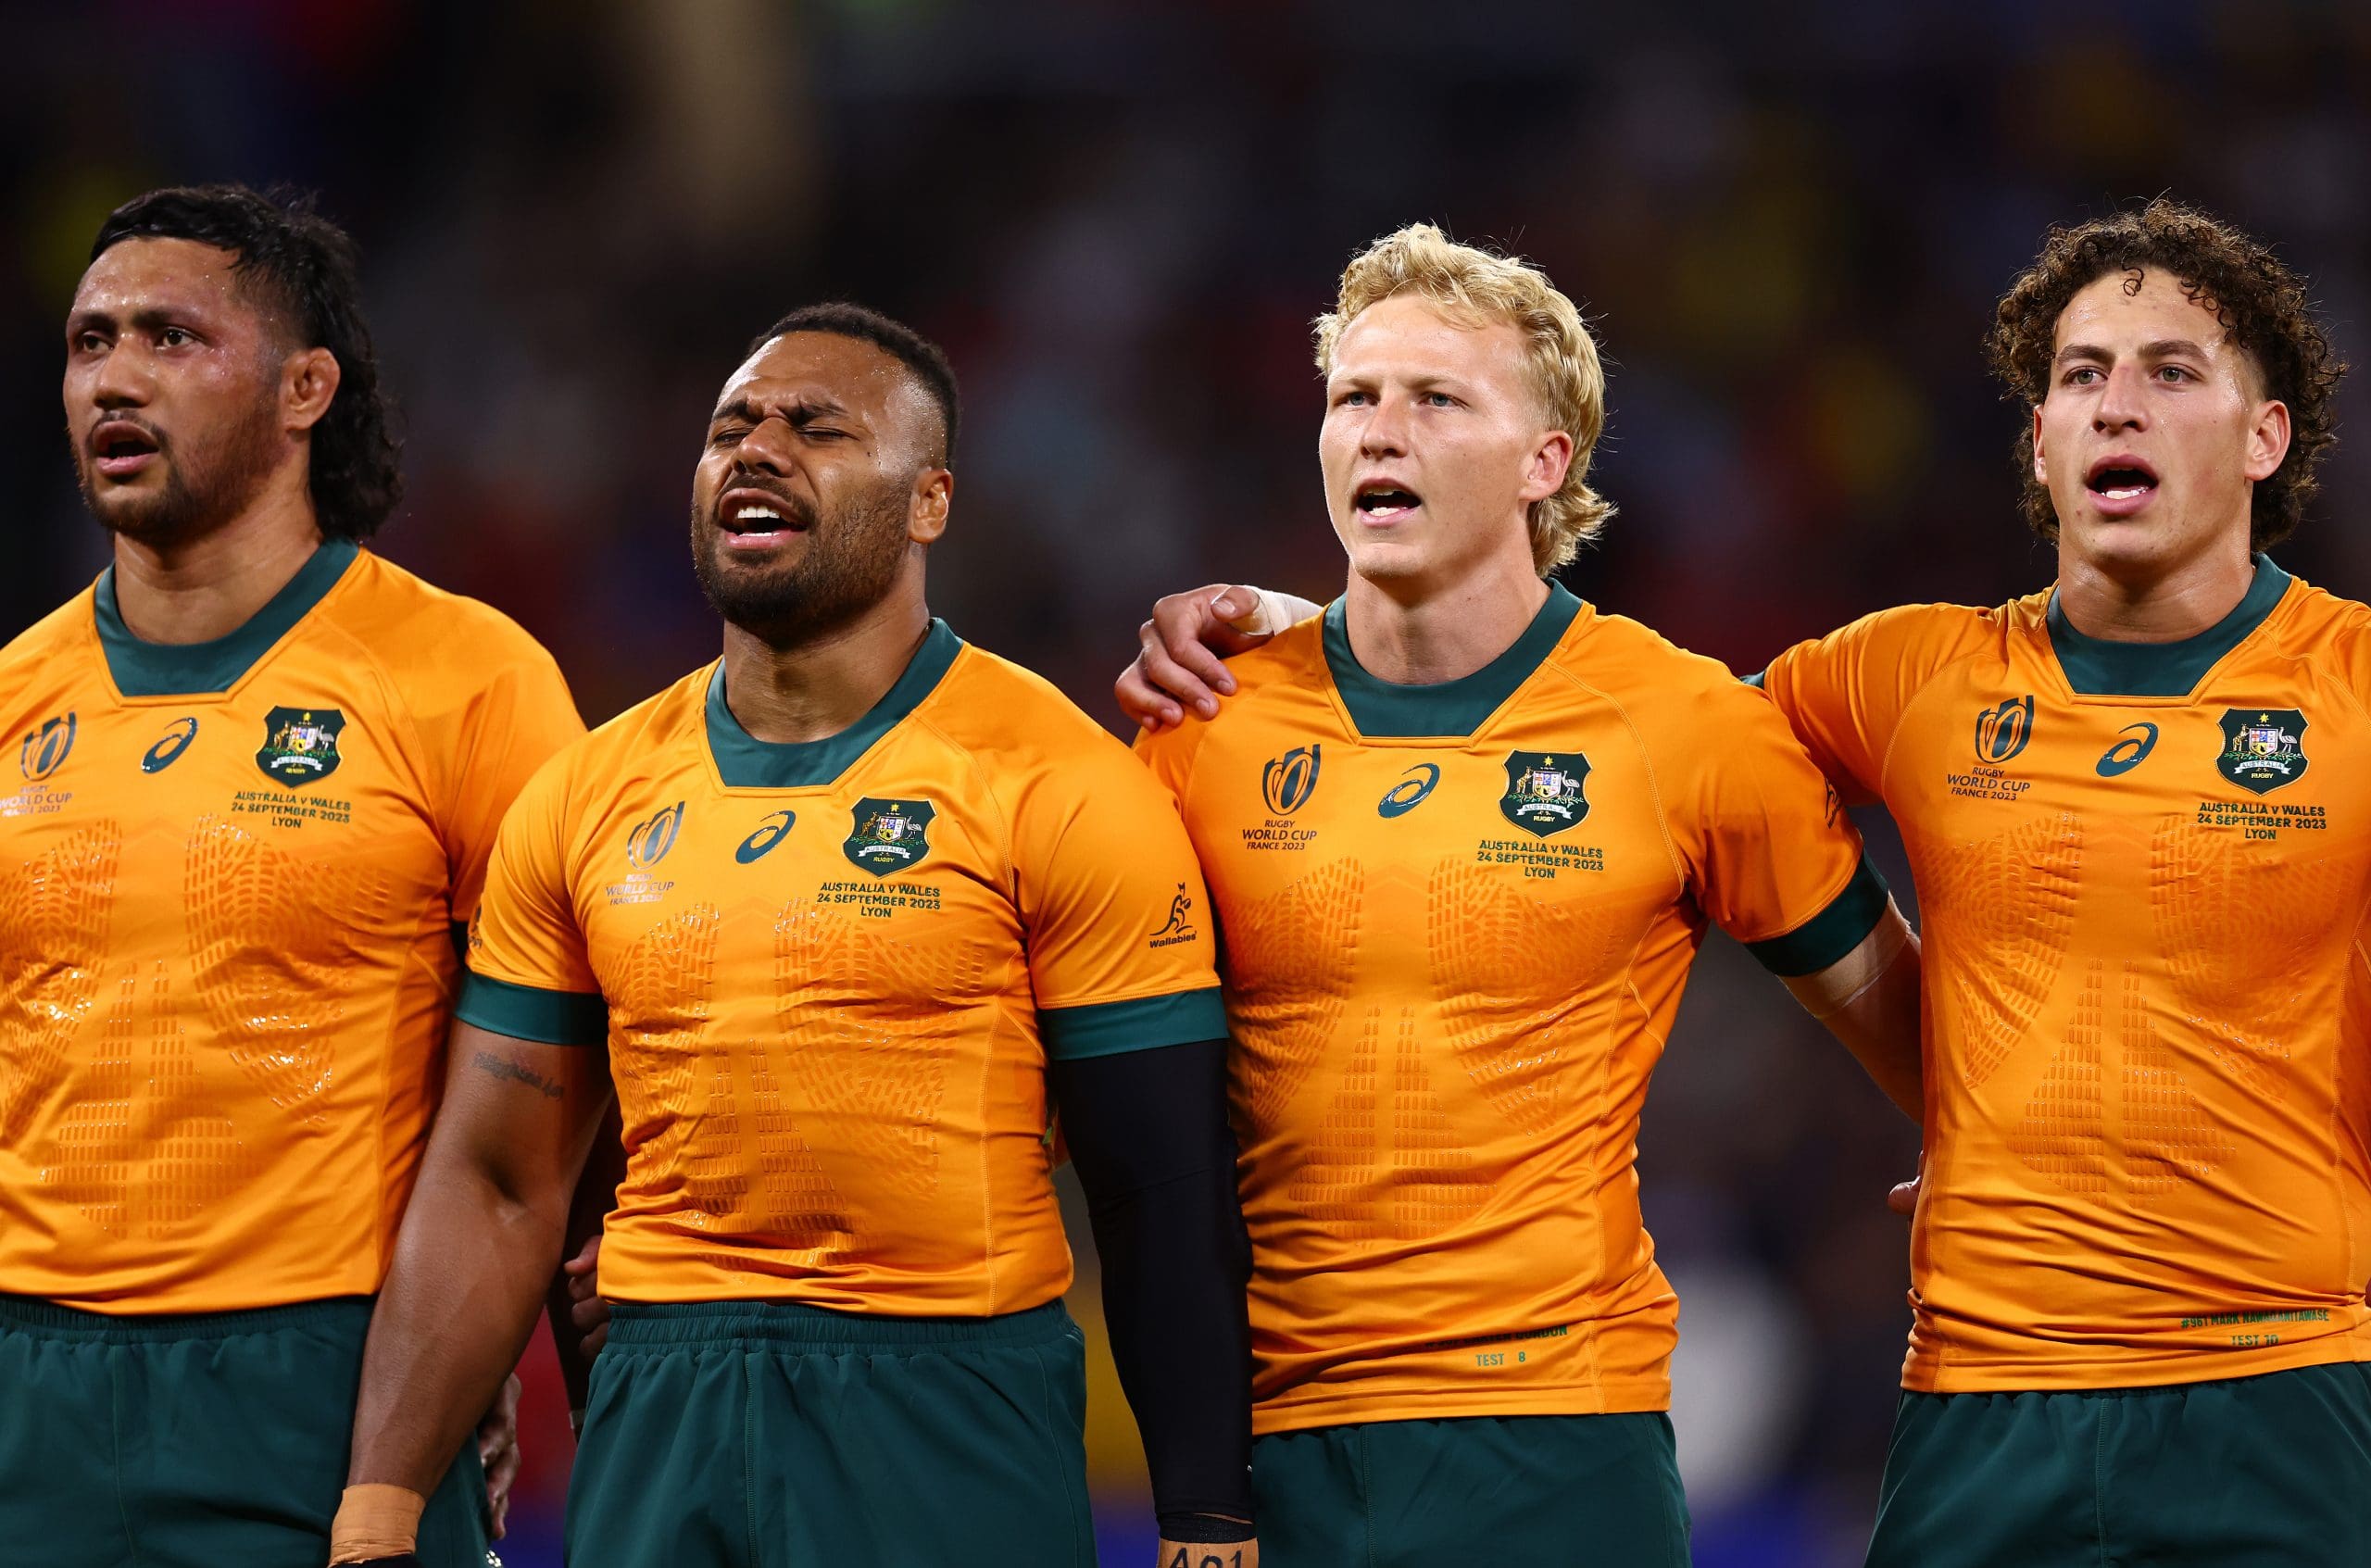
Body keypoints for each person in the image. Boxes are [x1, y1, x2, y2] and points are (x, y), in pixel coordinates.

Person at [1123, 200, 2371, 1568]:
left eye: (2171, 372)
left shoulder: (2352, 684)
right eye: (2083, 375)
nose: (2117, 405)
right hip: (1983, 1397)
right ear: (2039, 436)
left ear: (2267, 436)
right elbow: (1599, 721)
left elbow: (1647, 730)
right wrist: (1300, 628)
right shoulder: (1904, 676)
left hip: (2284, 1370)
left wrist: (1993, 1133)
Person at [332, 304, 1259, 1568]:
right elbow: (499, 1179)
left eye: (817, 428)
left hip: (946, 1401)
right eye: (731, 429)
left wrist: (1206, 1514)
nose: (757, 450)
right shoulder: (588, 793)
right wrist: (379, 1506)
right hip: (664, 1397)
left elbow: (1158, 1188)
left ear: (930, 501)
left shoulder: (1062, 782)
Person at [1118, 224, 1923, 1567]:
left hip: (1558, 1440)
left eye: (1437, 399)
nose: (1382, 430)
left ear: (1546, 462)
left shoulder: (1684, 727)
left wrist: (2010, 1167)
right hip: (1270, 1441)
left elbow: (1906, 1015)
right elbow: (1115, 1079)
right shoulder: (1206, 720)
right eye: (1354, 398)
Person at [0, 184, 575, 1567]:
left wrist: (464, 1370)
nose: (116, 377)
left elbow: (576, 1092)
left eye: (173, 338)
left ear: (306, 389)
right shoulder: (15, 694)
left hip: (326, 1389)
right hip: (27, 1388)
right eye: (90, 342)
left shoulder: (470, 682)